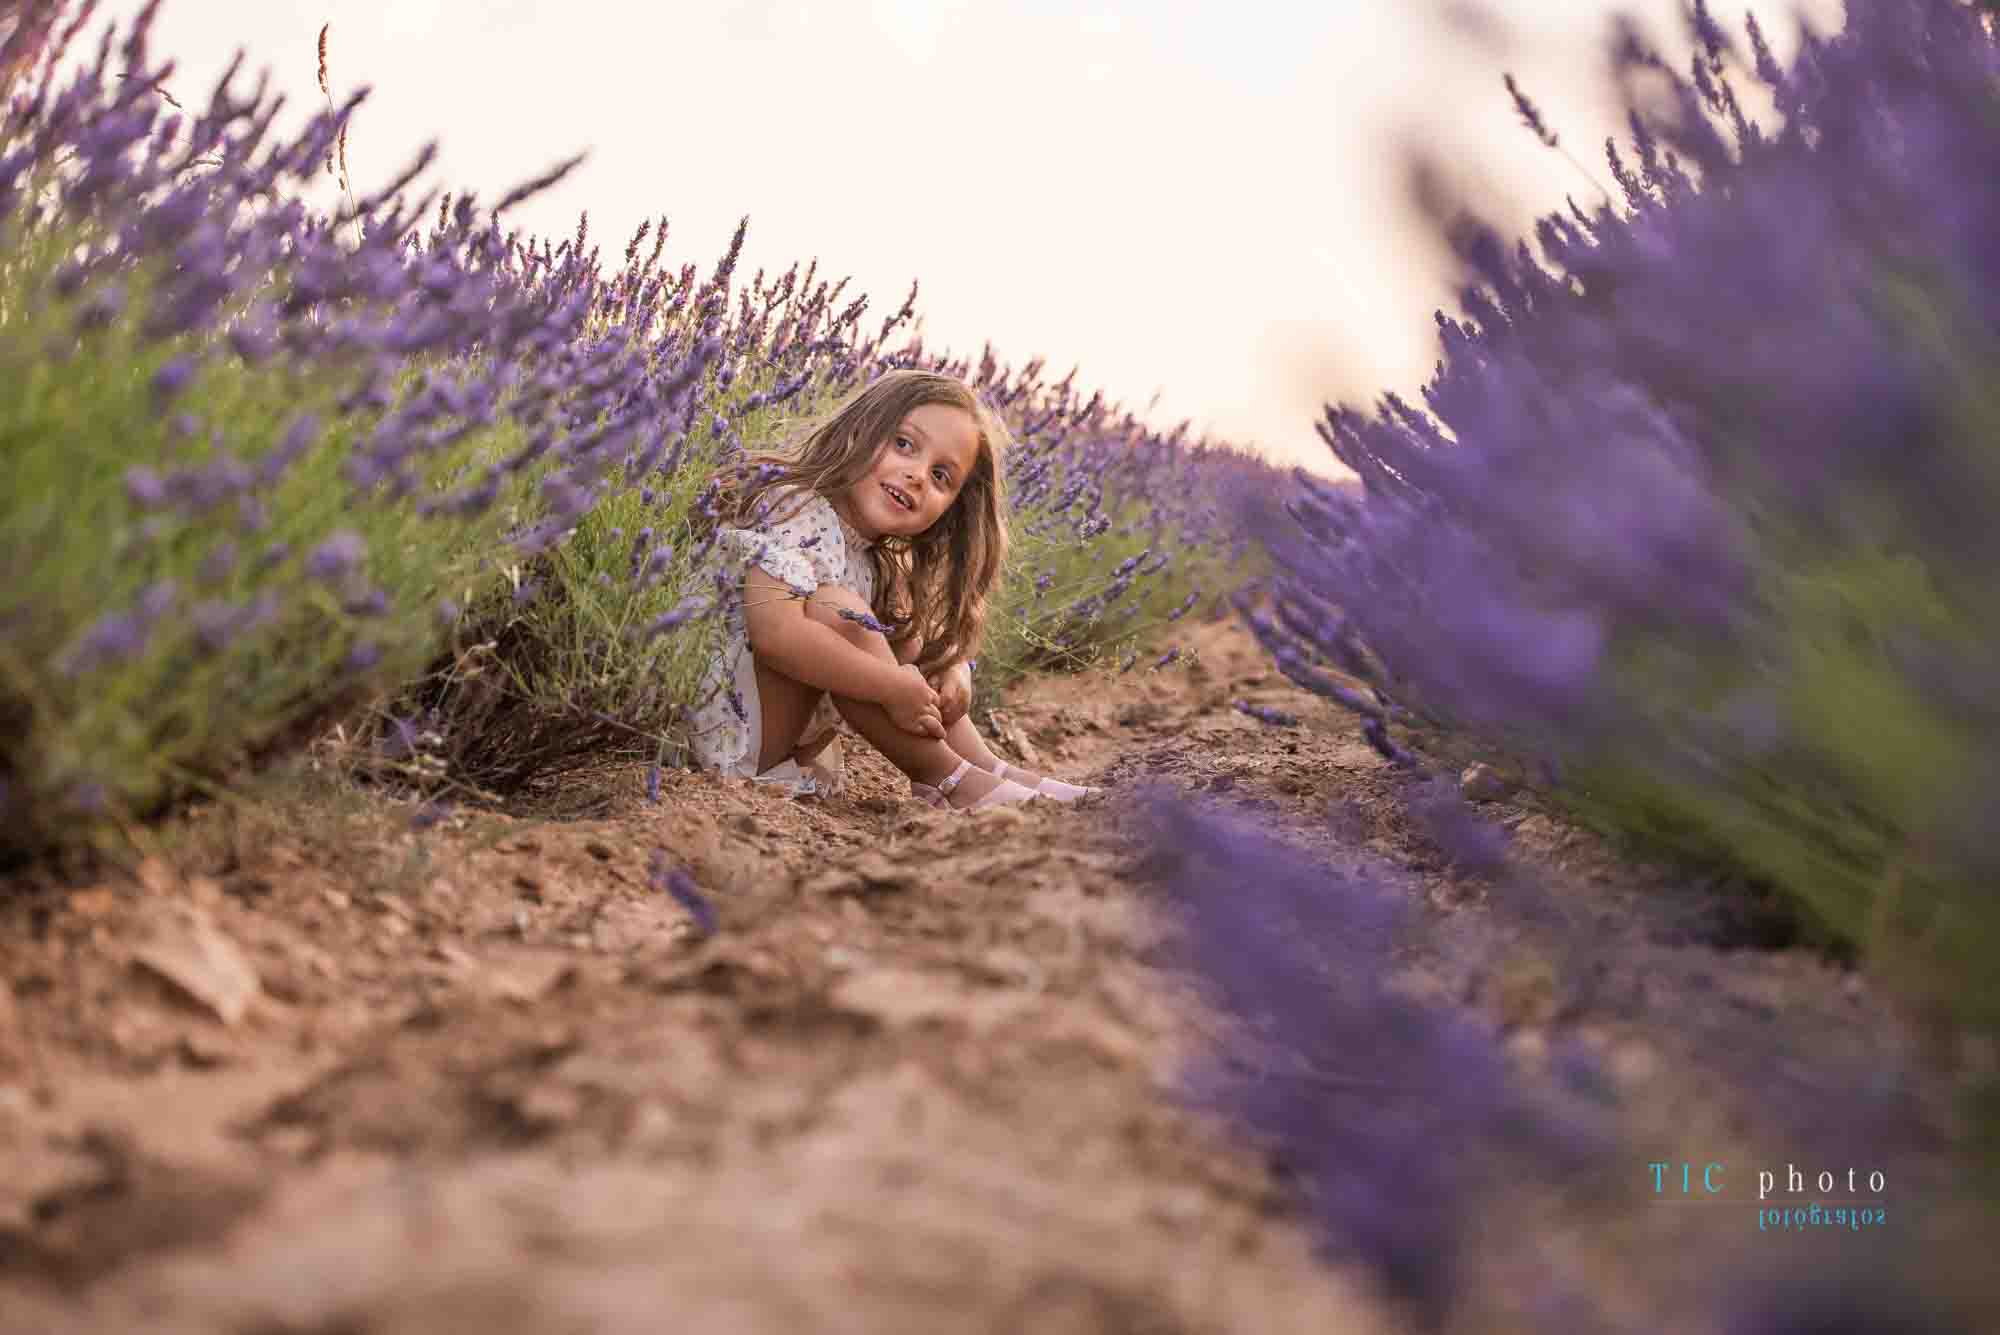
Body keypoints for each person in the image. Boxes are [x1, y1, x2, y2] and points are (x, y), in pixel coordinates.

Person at [685, 368, 1099, 811]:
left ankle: (984, 767)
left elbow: (911, 647)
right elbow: (776, 635)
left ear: (950, 511)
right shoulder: (794, 507)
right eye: (903, 445)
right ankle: (946, 777)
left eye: (941, 476)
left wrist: (952, 670)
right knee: (843, 613)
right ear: (860, 430)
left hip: (767, 729)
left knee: (902, 636)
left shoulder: (872, 556)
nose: (917, 475)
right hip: (724, 733)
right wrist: (891, 688)